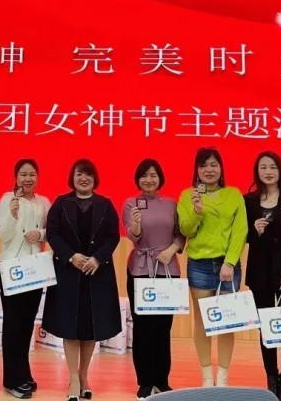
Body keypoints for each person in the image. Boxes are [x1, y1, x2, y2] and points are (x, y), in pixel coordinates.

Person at [42, 159, 121, 401]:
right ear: (72, 178)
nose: (83, 178)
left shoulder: (105, 204)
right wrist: (70, 256)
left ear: (94, 178)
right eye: (79, 174)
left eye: (88, 174)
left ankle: (84, 375)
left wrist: (98, 259)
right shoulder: (60, 203)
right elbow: (52, 233)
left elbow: (113, 237)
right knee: (70, 326)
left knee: (89, 328)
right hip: (68, 273)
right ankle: (73, 378)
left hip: (97, 274)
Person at [177, 147, 247, 387]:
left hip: (228, 265)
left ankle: (223, 377)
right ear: (197, 170)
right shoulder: (188, 195)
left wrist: (230, 261)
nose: (209, 170)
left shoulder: (233, 194)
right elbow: (185, 230)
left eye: (214, 165)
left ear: (221, 169)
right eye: (204, 165)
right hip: (199, 264)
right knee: (202, 322)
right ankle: (206, 376)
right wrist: (197, 212)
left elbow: (240, 230)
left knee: (227, 322)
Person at [244, 151, 281, 401]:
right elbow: (243, 236)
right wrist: (254, 232)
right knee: (267, 330)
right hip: (260, 274)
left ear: (280, 170)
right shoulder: (248, 200)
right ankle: (271, 378)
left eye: (272, 167)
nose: (268, 172)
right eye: (263, 167)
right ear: (257, 172)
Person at [122, 158, 184, 400]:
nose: (149, 179)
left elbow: (180, 234)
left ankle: (162, 380)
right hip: (140, 269)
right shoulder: (131, 203)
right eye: (144, 175)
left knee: (163, 327)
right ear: (138, 179)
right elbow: (133, 236)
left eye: (153, 175)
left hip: (167, 270)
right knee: (143, 327)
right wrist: (136, 224)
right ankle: (145, 382)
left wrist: (172, 249)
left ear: (160, 179)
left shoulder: (171, 204)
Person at [0, 159, 51, 399]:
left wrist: (40, 233)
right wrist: (13, 214)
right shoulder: (7, 199)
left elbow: (52, 231)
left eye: (32, 174)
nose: (28, 179)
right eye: (23, 174)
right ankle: (11, 379)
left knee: (27, 323)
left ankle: (23, 373)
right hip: (11, 268)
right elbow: (3, 234)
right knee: (13, 324)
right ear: (16, 177)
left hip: (34, 268)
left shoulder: (44, 202)